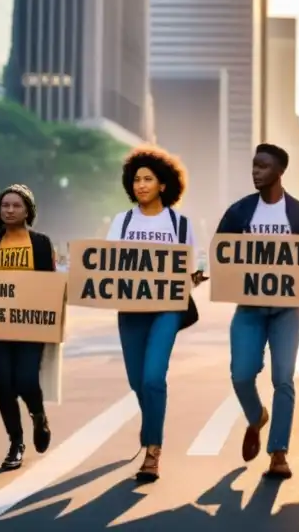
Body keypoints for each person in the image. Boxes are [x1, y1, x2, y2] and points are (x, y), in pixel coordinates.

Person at [216, 143, 299, 480]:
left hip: (287, 311)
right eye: (254, 165)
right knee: (241, 375)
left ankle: (279, 453)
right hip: (248, 309)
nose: (255, 171)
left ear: (279, 171)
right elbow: (221, 255)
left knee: (283, 379)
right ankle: (256, 417)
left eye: (262, 166)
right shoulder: (239, 212)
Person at [107, 145, 206, 484]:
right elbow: (108, 264)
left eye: (148, 179)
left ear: (164, 185)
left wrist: (195, 276)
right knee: (137, 381)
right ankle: (151, 425)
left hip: (167, 310)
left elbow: (193, 265)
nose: (141, 185)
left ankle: (153, 450)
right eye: (136, 179)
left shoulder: (181, 225)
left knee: (152, 377)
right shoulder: (122, 222)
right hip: (131, 310)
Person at [0, 184, 56, 471]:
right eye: (5, 205)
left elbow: (50, 286)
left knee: (25, 380)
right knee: (4, 385)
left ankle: (38, 415)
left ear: (28, 211)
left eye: (16, 205)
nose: (9, 210)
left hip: (30, 327)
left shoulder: (41, 244)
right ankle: (16, 442)